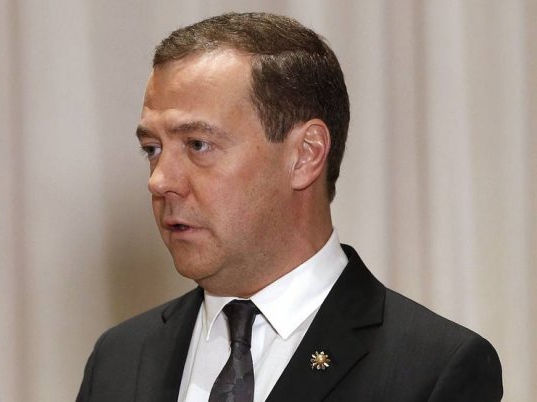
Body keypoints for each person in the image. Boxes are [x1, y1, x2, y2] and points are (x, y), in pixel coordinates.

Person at [77, 12, 502, 402]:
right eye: (152, 149)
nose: (159, 181)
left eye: (198, 144)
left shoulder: (432, 370)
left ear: (305, 155)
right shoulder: (119, 359)